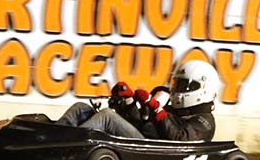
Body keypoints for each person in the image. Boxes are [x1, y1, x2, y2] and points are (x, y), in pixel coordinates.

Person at [55, 60, 218, 141]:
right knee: (80, 107)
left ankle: (69, 145)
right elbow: (141, 122)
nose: (178, 90)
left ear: (204, 88)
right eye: (178, 84)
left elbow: (179, 139)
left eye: (185, 86)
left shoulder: (204, 121)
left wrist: (157, 109)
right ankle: (53, 136)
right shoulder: (175, 110)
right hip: (141, 138)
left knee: (106, 116)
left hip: (153, 151)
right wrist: (128, 102)